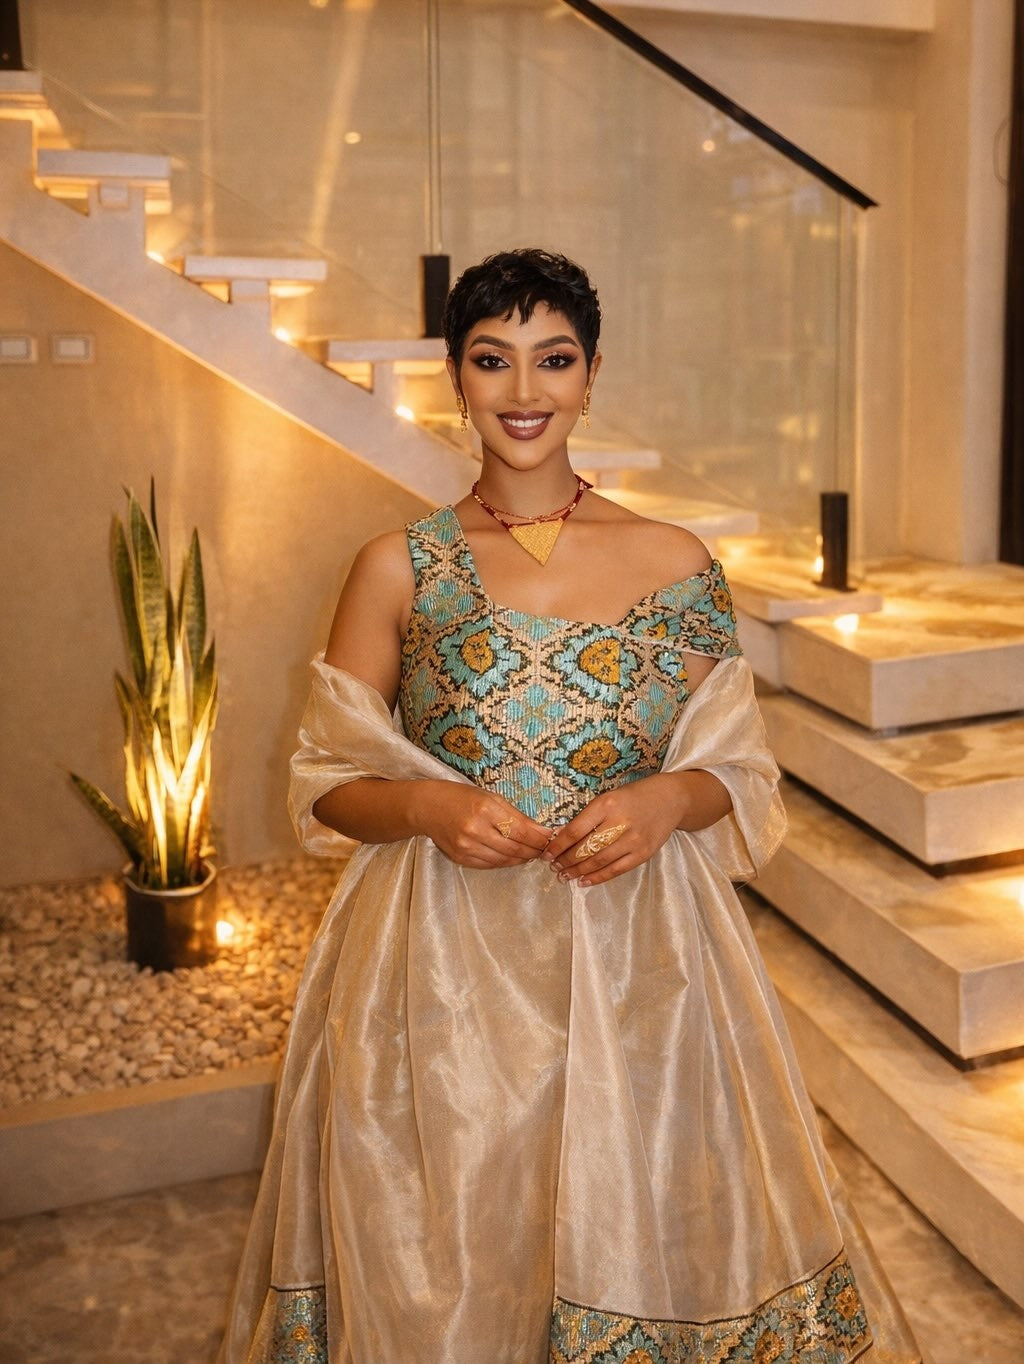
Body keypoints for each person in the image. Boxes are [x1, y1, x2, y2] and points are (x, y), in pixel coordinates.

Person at [220, 249, 920, 1363]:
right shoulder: (398, 565)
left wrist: (667, 798)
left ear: (591, 374)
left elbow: (740, 770)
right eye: (492, 360)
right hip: (443, 968)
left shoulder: (677, 563)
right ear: (456, 375)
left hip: (641, 957)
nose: (523, 390)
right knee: (452, 1232)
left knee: (637, 1207)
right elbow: (327, 784)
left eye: (553, 359)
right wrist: (426, 806)